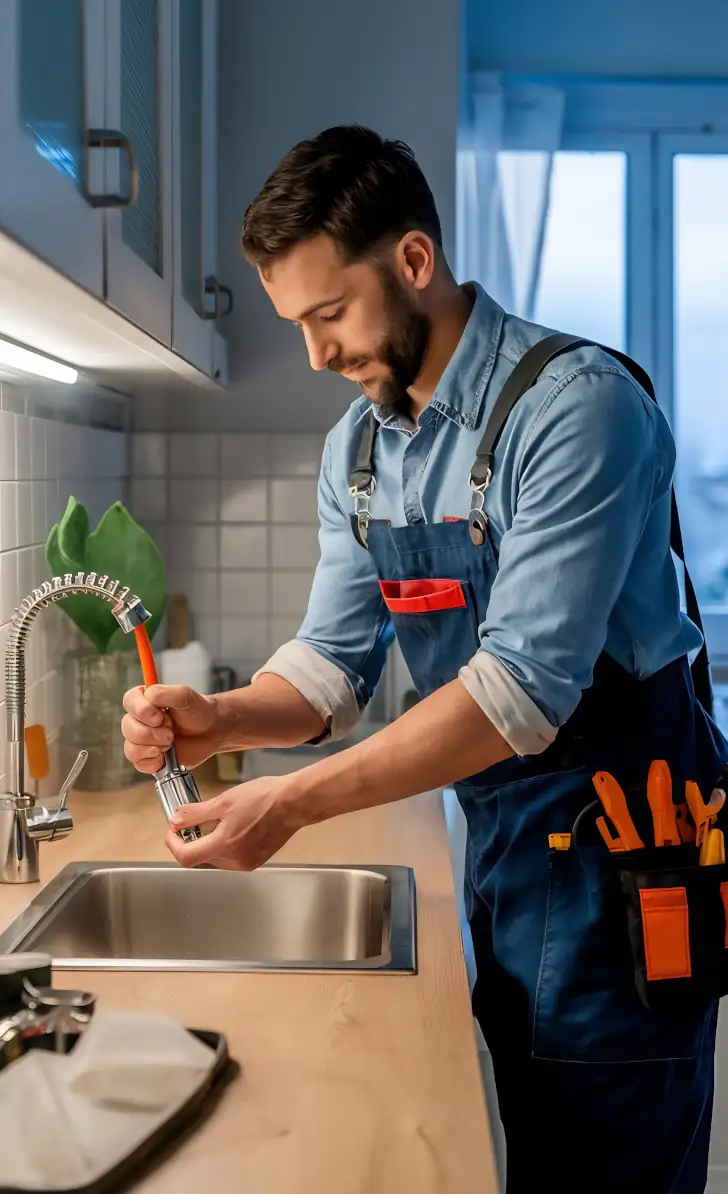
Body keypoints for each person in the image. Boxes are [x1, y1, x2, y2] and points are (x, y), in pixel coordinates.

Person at [121, 125, 728, 1192]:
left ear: (411, 262)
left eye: (328, 314)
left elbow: (516, 696)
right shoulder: (360, 450)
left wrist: (294, 803)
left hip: (624, 877)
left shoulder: (576, 408)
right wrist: (223, 716)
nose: (312, 355)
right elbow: (328, 667)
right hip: (505, 854)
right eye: (294, 323)